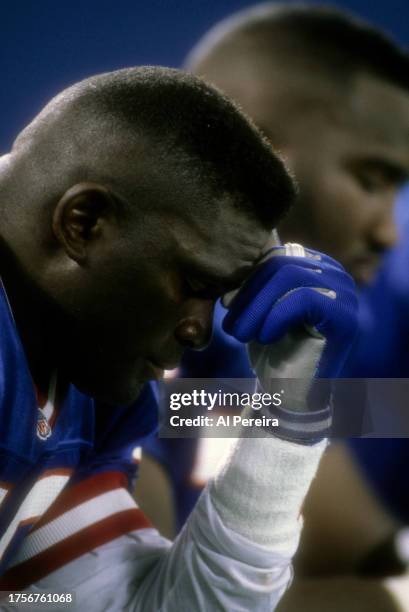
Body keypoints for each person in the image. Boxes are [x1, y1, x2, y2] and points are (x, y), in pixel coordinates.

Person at [0, 65, 358, 610]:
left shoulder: (85, 377)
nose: (199, 329)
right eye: (193, 284)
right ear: (84, 222)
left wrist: (288, 415)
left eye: (218, 296)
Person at [141, 4, 409, 609]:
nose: (387, 231)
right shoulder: (107, 339)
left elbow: (360, 547)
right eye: (371, 178)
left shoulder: (255, 330)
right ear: (256, 153)